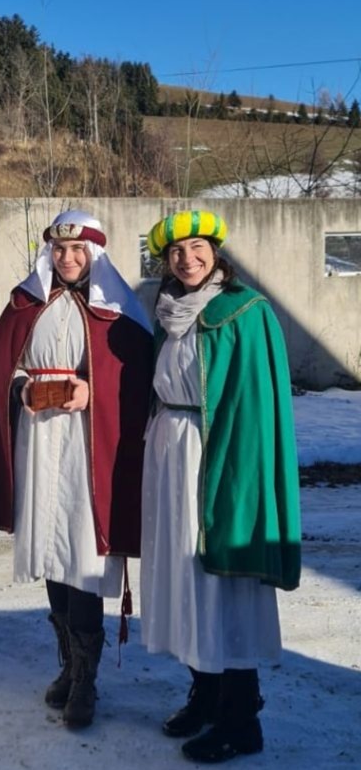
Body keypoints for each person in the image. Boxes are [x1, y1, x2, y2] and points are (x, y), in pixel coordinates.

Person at [0, 210, 153, 729]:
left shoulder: (118, 310)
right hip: (38, 439)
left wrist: (93, 391)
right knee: (51, 551)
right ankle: (69, 665)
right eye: (59, 249)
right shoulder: (27, 303)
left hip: (88, 447)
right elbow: (3, 365)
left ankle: (87, 680)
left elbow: (137, 380)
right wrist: (22, 388)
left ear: (94, 254)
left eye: (77, 251)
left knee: (82, 555)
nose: (67, 258)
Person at [140, 210, 301, 763]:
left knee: (220, 583)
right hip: (170, 451)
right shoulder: (168, 310)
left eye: (197, 247)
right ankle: (204, 693)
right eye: (175, 252)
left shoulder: (244, 312)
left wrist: (237, 474)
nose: (187, 258)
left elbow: (255, 404)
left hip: (218, 457)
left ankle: (240, 718)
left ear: (215, 252)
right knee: (184, 579)